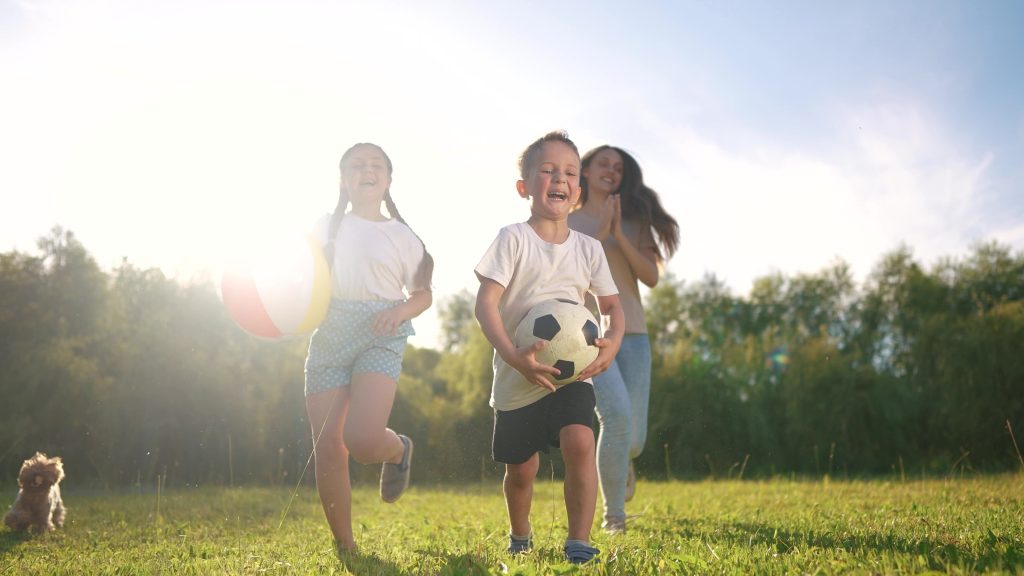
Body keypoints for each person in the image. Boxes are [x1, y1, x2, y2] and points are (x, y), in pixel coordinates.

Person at [474, 131, 624, 565]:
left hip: (571, 372)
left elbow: (612, 306)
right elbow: (486, 304)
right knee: (521, 471)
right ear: (525, 187)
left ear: (577, 192)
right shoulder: (512, 239)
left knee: (580, 440)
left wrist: (611, 341)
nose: (560, 178)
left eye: (570, 173)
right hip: (518, 373)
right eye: (548, 170)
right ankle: (520, 535)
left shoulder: (589, 249)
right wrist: (512, 355)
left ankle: (579, 541)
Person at [303, 142, 433, 554]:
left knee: (360, 441)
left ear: (388, 180)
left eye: (375, 165)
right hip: (330, 332)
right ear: (343, 179)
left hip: (383, 329)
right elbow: (298, 275)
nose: (366, 170)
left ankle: (397, 449)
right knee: (327, 447)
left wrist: (401, 313)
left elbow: (423, 293)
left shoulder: (403, 235)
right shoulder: (326, 226)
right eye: (356, 165)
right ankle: (346, 545)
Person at [567, 145, 679, 534]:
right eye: (603, 164)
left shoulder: (634, 221)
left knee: (635, 438)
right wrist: (600, 232)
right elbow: (571, 275)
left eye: (617, 167)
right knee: (616, 420)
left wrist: (619, 233)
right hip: (589, 335)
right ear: (585, 170)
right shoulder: (569, 221)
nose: (610, 171)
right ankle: (614, 516)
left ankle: (623, 461)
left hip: (634, 335)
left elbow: (650, 276)